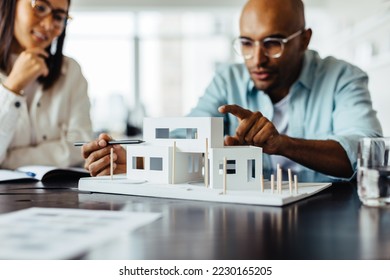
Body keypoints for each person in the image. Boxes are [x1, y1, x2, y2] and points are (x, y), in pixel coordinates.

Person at [82, 0, 382, 180]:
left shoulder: (343, 77)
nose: (257, 58)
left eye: (273, 43)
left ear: (304, 40)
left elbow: (368, 150)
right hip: (248, 222)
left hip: (331, 222)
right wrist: (132, 159)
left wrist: (282, 144)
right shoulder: (228, 80)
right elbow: (184, 135)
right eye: (246, 43)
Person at [0, 0, 93, 169]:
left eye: (58, 17)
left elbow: (80, 147)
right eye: (40, 8)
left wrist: (7, 160)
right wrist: (12, 86)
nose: (49, 25)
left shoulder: (70, 72)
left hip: (59, 193)